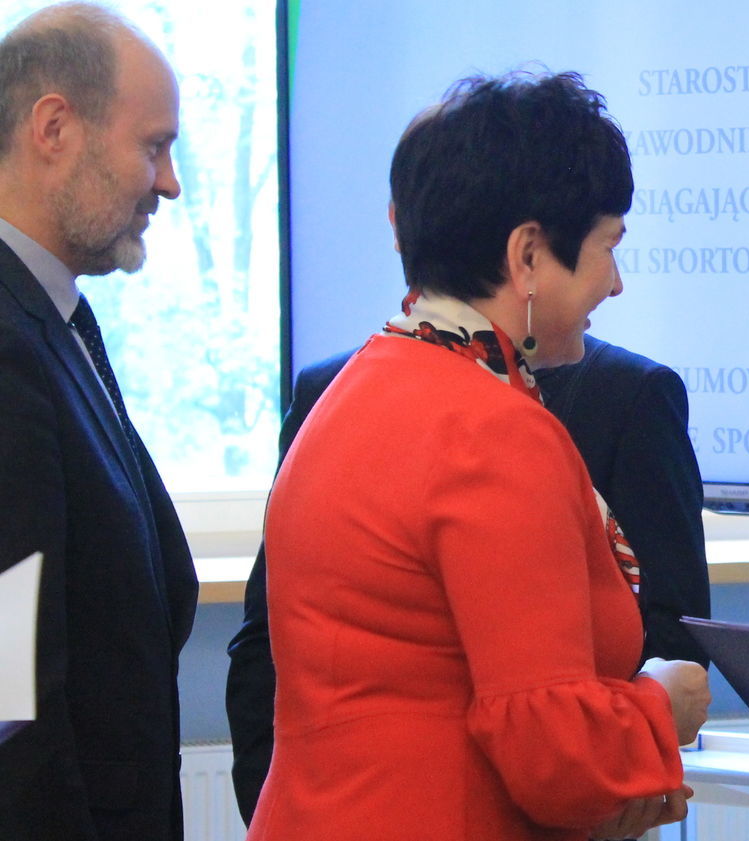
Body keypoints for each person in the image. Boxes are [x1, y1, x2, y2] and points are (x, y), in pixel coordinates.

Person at [245, 72, 709, 841]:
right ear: (527, 255)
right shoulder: (494, 430)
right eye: (608, 247)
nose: (617, 283)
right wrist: (661, 704)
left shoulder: (355, 387)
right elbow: (552, 753)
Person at [225, 332, 710, 824]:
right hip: (454, 811)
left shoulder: (631, 392)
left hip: (530, 805)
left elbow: (672, 621)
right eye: (605, 262)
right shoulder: (488, 422)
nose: (614, 291)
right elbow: (267, 640)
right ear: (524, 277)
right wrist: (653, 714)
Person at [0, 4, 197, 840]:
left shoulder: (55, 319)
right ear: (54, 129)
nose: (169, 183)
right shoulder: (6, 340)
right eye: (153, 146)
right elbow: (10, 689)